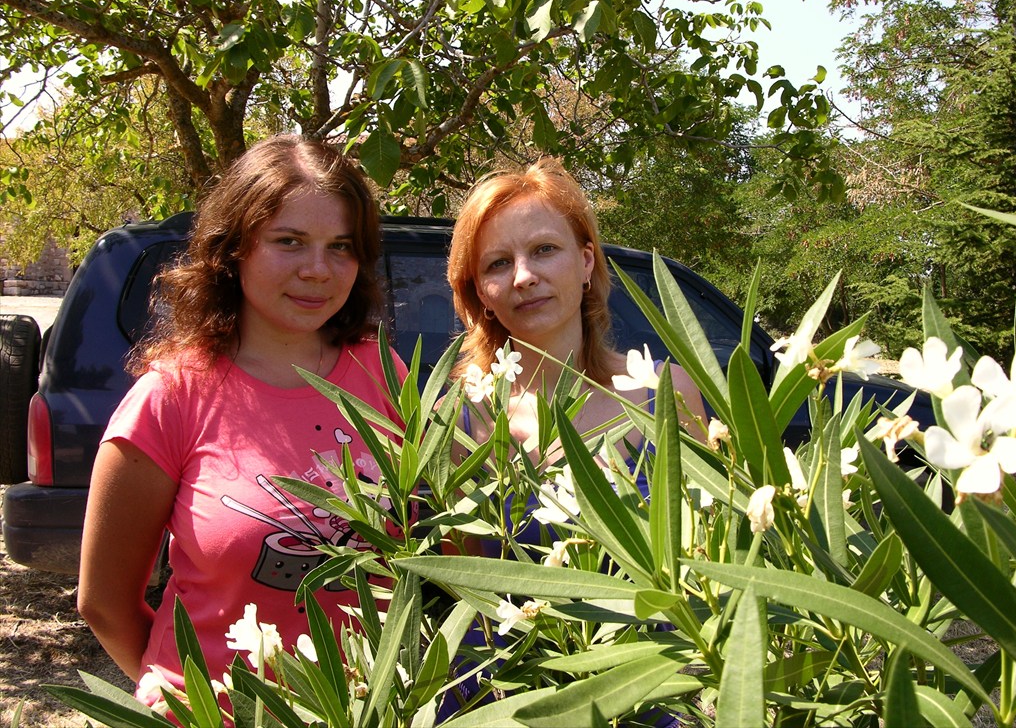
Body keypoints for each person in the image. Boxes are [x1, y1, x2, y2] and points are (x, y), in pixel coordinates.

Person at [77, 135, 407, 701]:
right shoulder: (173, 396)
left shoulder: (382, 370)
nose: (318, 270)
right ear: (234, 249)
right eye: (289, 241)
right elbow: (103, 601)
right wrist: (184, 698)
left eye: (341, 246)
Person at [447, 156, 707, 471]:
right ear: (480, 292)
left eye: (544, 249)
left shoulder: (666, 392)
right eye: (498, 263)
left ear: (586, 262)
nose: (523, 277)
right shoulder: (457, 422)